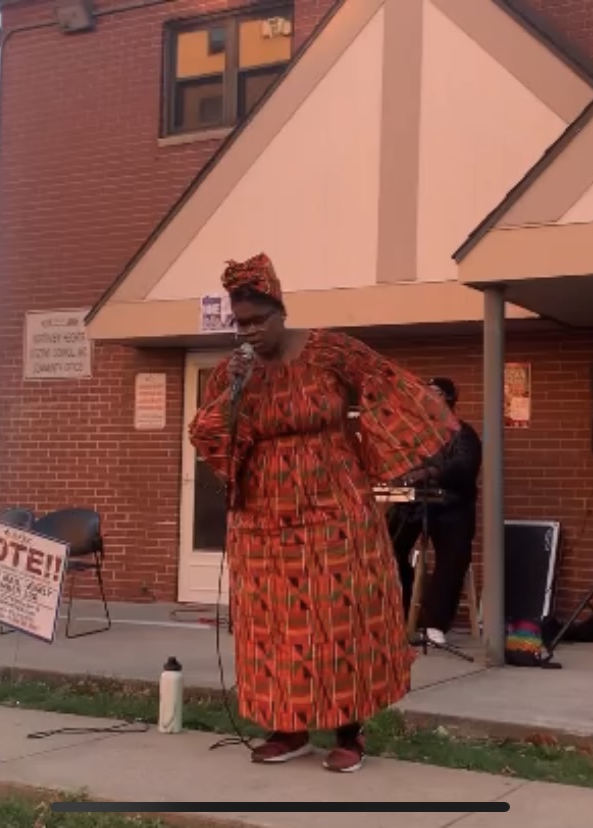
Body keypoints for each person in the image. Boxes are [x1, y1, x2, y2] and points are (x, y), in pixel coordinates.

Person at [187, 253, 457, 774]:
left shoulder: (328, 350)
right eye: (239, 324)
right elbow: (210, 437)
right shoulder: (231, 373)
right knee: (272, 624)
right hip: (263, 516)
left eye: (257, 322)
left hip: (335, 506)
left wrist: (392, 450)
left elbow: (387, 384)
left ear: (280, 312)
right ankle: (287, 729)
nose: (249, 333)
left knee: (341, 616)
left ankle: (349, 733)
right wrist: (235, 393)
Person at [387, 378, 482, 646]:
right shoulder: (414, 433)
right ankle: (403, 616)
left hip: (452, 506)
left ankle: (435, 623)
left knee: (453, 557)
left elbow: (465, 467)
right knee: (388, 547)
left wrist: (431, 472)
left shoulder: (464, 434)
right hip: (416, 504)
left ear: (450, 399)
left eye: (436, 394)